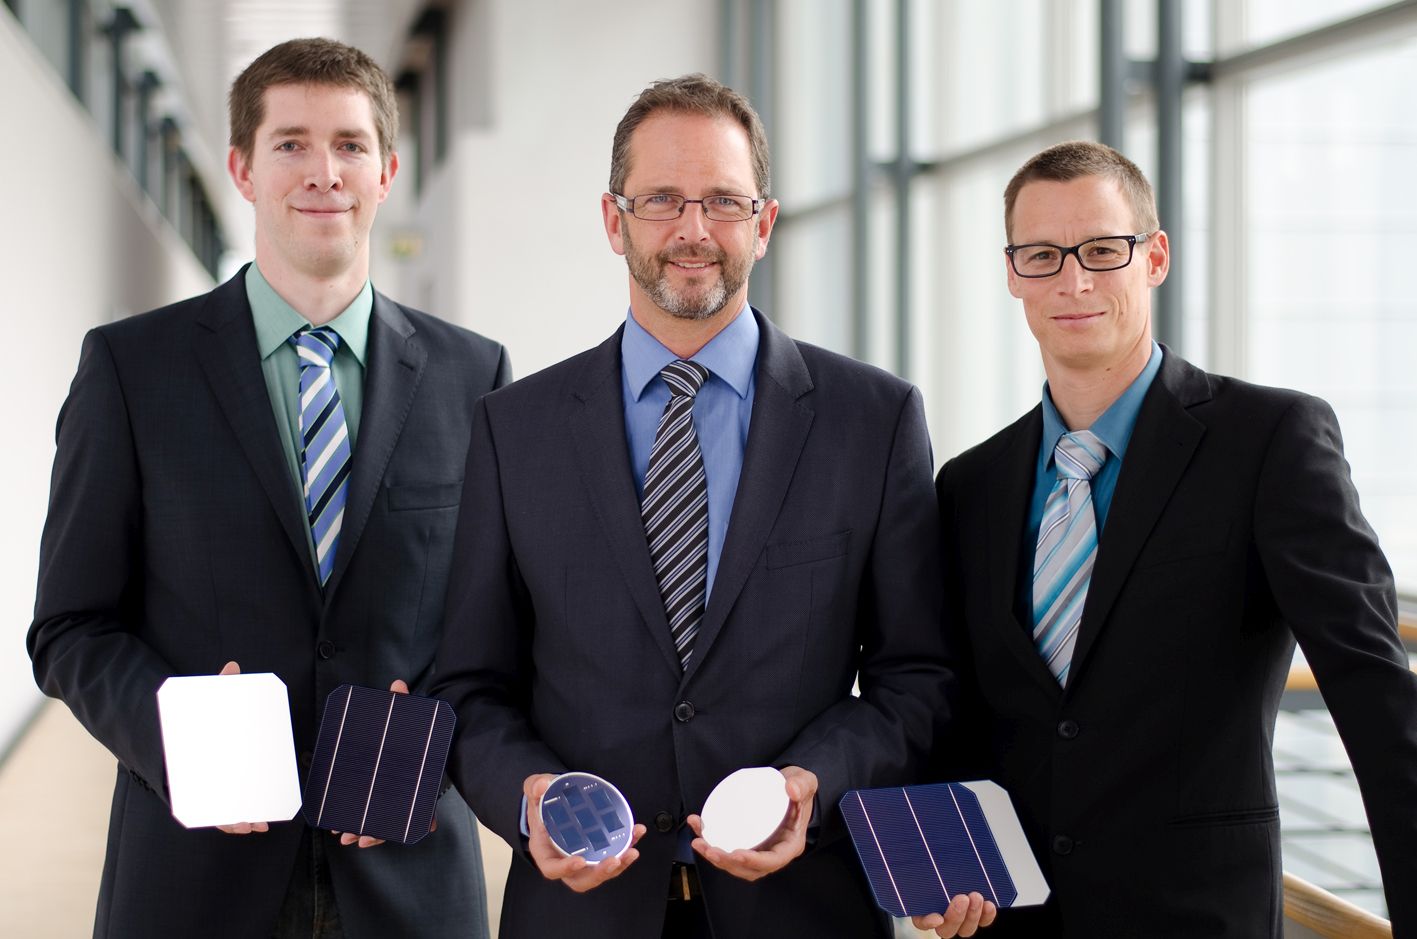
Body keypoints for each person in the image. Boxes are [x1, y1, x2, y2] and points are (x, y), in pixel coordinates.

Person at [428, 74, 979, 939]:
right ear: (614, 221)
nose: (692, 230)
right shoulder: (515, 428)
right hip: (581, 915)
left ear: (763, 223)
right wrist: (528, 797)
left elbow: (917, 678)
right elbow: (469, 683)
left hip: (804, 907)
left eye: (723, 201)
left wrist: (814, 782)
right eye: (661, 201)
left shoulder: (870, 420)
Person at [28, 38, 507, 938]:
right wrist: (178, 732)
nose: (322, 172)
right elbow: (69, 627)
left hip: (404, 874)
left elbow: (501, 620)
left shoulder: (474, 375)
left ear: (387, 170)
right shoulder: (132, 369)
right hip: (193, 875)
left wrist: (435, 736)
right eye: (290, 143)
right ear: (243, 169)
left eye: (349, 145)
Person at [928, 139, 1417, 937]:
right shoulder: (970, 484)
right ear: (1012, 272)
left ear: (1152, 256)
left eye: (1101, 250)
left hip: (1197, 915)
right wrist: (947, 863)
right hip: (1010, 920)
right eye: (1042, 255)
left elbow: (1374, 692)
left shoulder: (1268, 440)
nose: (1073, 280)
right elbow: (954, 708)